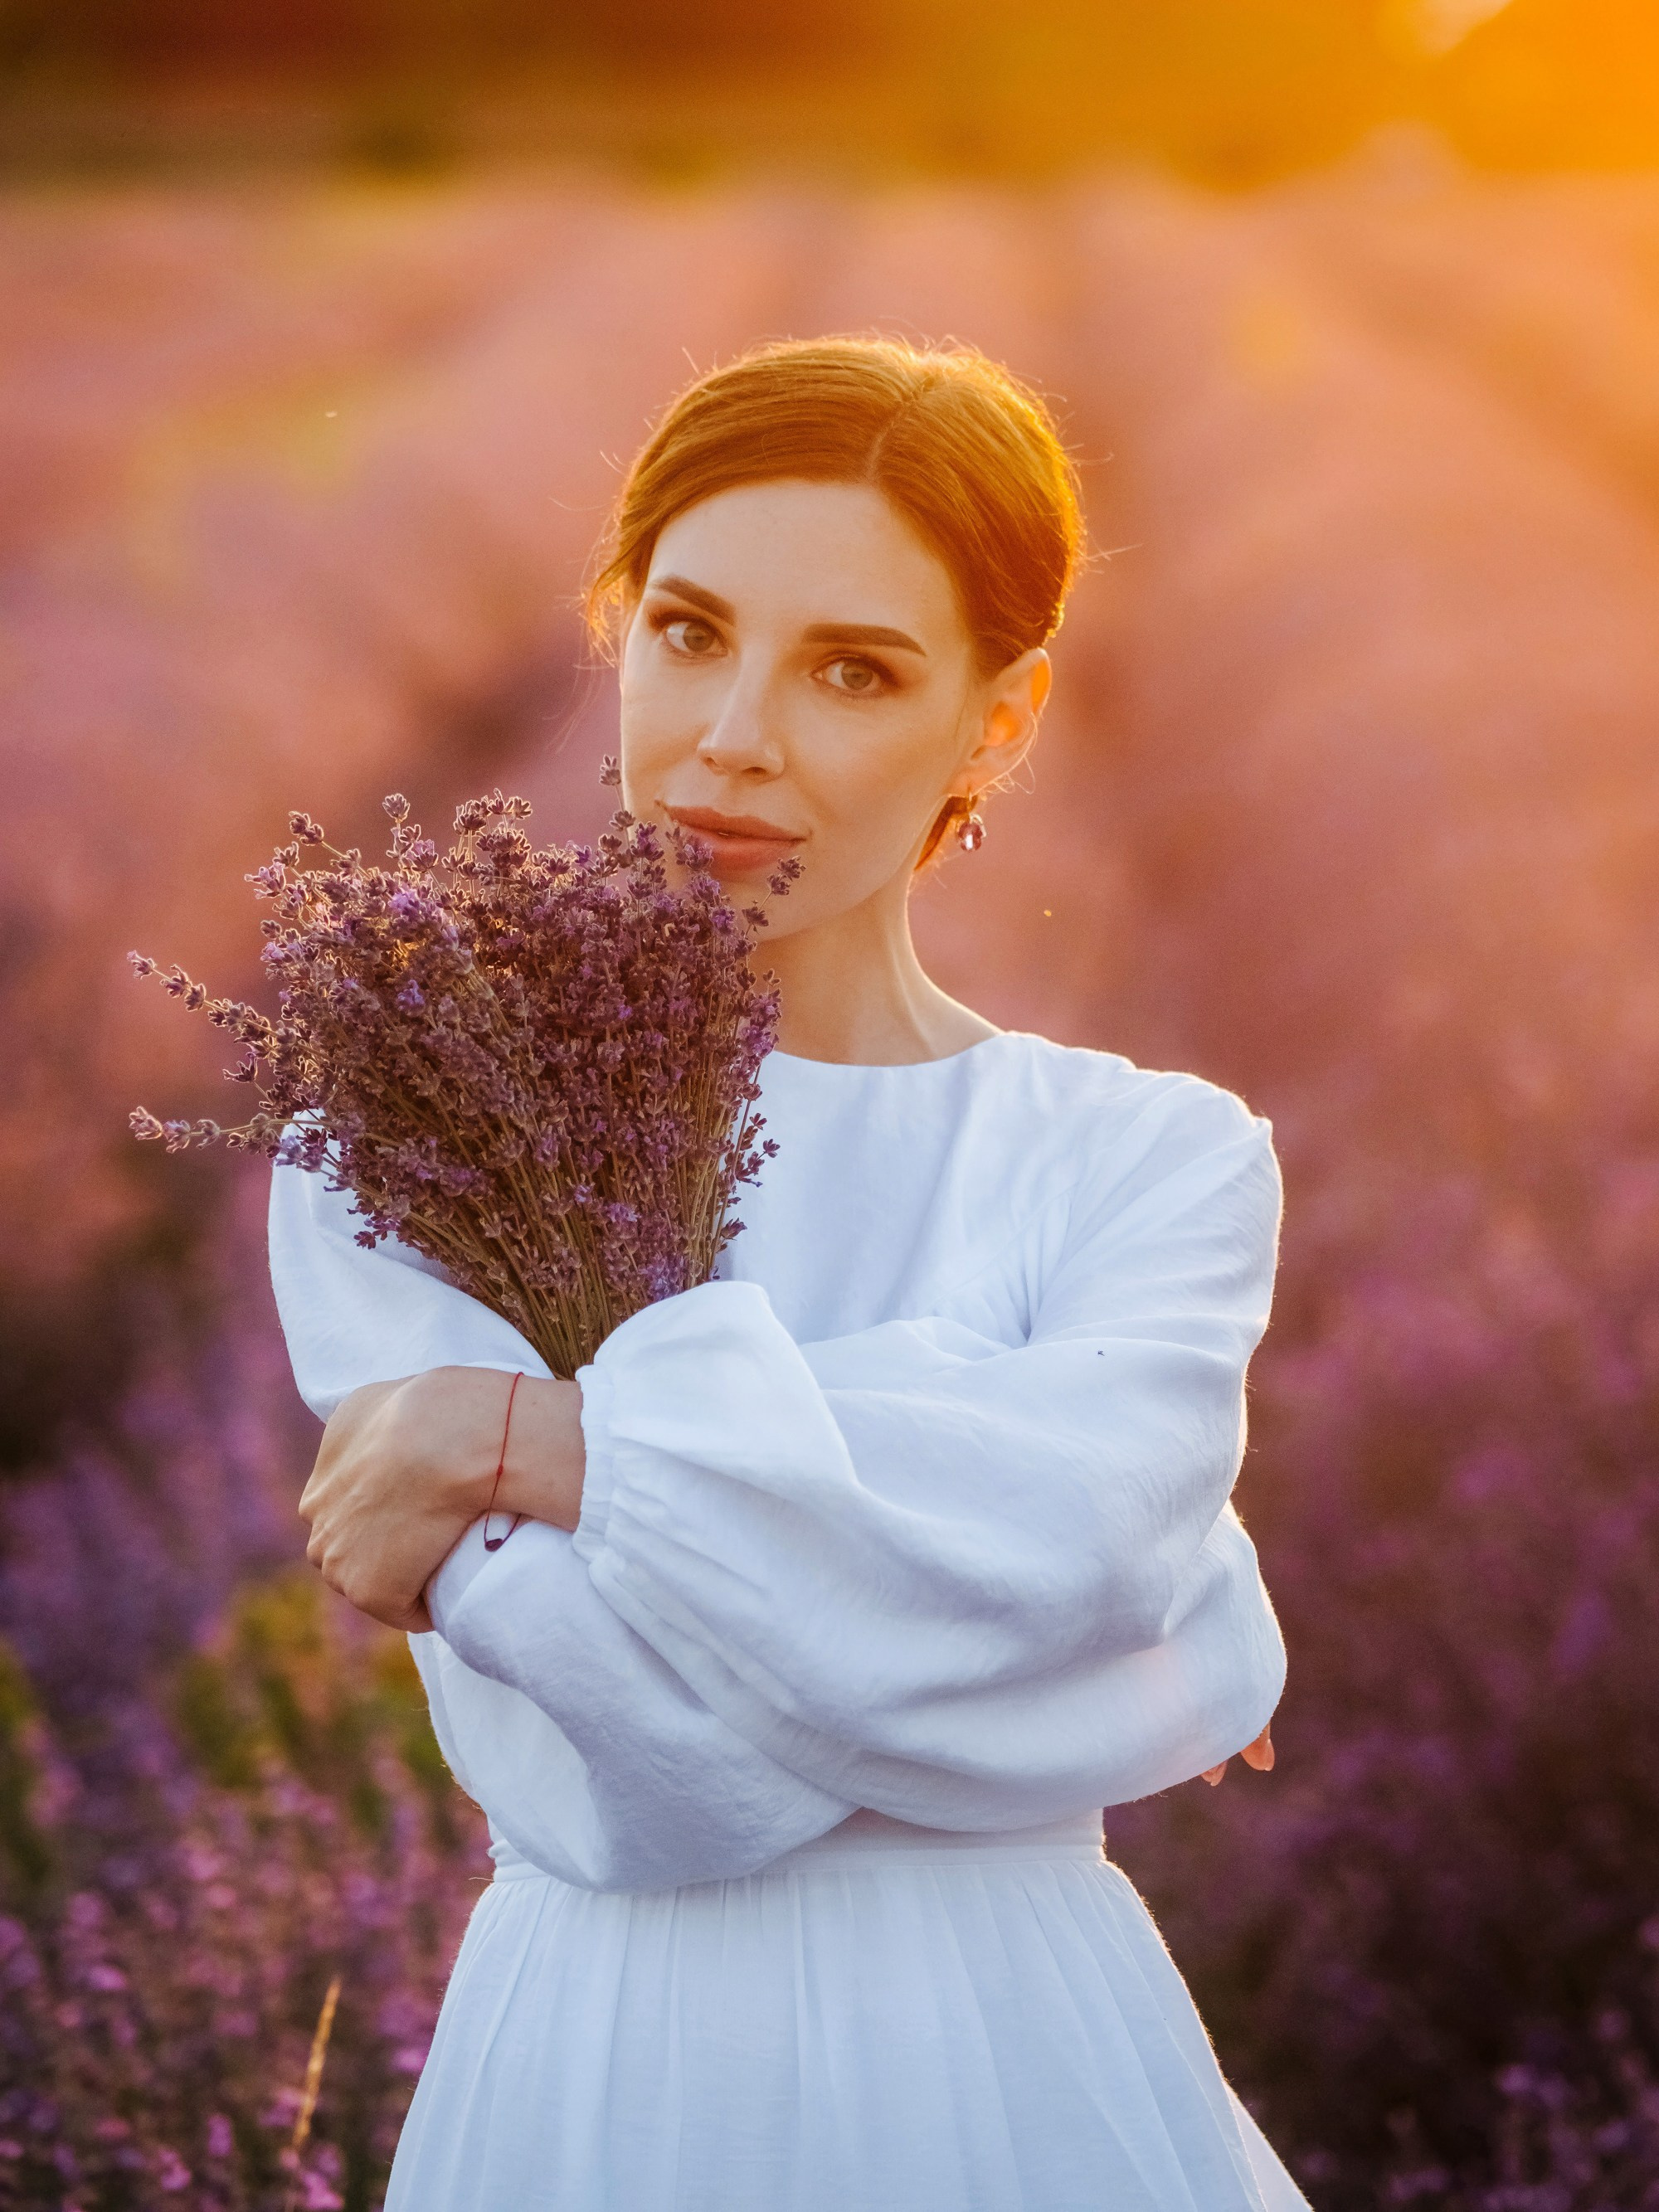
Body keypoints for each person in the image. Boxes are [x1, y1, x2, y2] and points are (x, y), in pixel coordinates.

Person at [271, 336, 1305, 2211]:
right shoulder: (419, 1123)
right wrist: (1097, 1627)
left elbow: (1076, 1549)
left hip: (1027, 2077)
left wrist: (531, 1436)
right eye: (689, 632)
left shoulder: (1153, 1157)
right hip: (604, 2077)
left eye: (854, 668)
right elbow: (642, 1775)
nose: (735, 733)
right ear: (618, 628)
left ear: (999, 719)